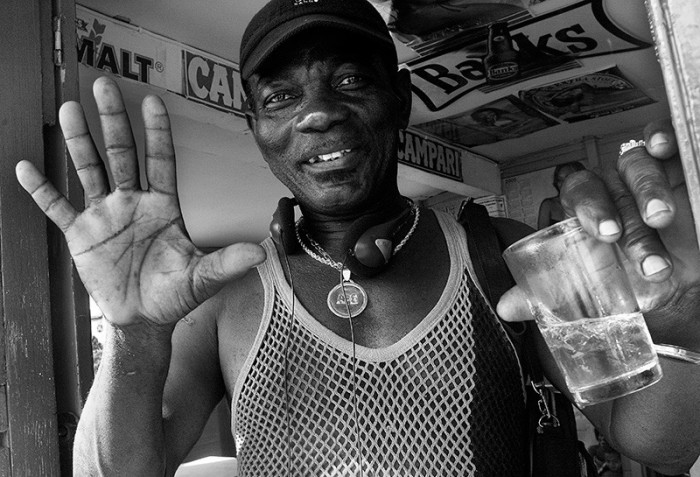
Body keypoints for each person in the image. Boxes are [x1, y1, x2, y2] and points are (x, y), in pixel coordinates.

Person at [14, 0, 700, 474]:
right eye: (281, 96)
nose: (318, 113)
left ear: (398, 100)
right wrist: (133, 334)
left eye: (347, 79)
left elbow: (658, 441)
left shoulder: (503, 253)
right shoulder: (222, 301)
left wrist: (683, 313)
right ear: (255, 125)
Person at [537, 161, 587, 229]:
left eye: (567, 178)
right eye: (559, 180)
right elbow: (541, 238)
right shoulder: (549, 205)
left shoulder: (590, 203)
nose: (563, 183)